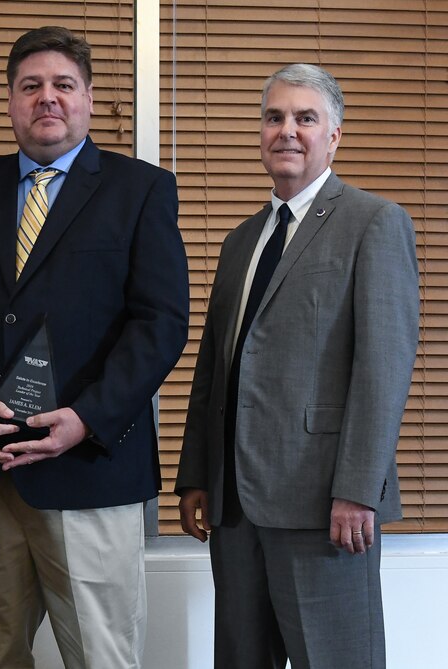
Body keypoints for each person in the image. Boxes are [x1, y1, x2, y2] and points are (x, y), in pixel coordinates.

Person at [0, 26, 189, 669]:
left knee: (102, 657)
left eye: (64, 85)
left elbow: (161, 322)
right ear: (10, 101)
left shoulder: (140, 191)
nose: (47, 99)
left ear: (87, 99)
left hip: (90, 469)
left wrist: (87, 417)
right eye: (31, 86)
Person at [176, 63, 419, 669]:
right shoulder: (241, 240)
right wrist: (195, 475)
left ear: (334, 135)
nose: (287, 130)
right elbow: (216, 368)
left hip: (325, 511)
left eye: (305, 118)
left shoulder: (373, 222)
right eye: (274, 117)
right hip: (233, 511)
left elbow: (383, 367)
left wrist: (359, 490)